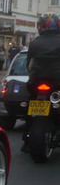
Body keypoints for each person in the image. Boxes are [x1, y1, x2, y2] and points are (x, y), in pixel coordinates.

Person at [21, 12, 60, 152]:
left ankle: (26, 139)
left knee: (31, 104)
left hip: (36, 80)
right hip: (57, 81)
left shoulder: (34, 43)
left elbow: (28, 64)